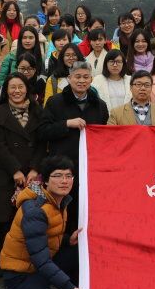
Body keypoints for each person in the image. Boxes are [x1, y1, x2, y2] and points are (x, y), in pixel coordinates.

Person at [0, 155, 99, 289]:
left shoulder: (58, 201)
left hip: (38, 266)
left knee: (79, 253)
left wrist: (68, 239)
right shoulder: (35, 210)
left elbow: (46, 235)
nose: (64, 181)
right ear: (45, 181)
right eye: (58, 176)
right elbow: (40, 259)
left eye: (68, 176)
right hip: (20, 274)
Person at [40, 61, 109, 268]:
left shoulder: (99, 105)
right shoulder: (55, 102)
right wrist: (66, 124)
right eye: (77, 76)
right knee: (62, 218)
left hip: (89, 173)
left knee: (85, 217)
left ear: (91, 79)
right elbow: (42, 131)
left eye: (85, 77)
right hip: (62, 172)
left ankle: (86, 267)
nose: (81, 81)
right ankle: (61, 265)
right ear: (69, 79)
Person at [0, 73, 48, 247]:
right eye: (12, 87)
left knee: (32, 222)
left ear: (27, 89)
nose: (17, 91)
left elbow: (42, 143)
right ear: (6, 90)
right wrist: (15, 170)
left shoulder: (38, 111)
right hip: (7, 174)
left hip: (32, 176)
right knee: (7, 225)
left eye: (20, 87)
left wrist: (35, 168)